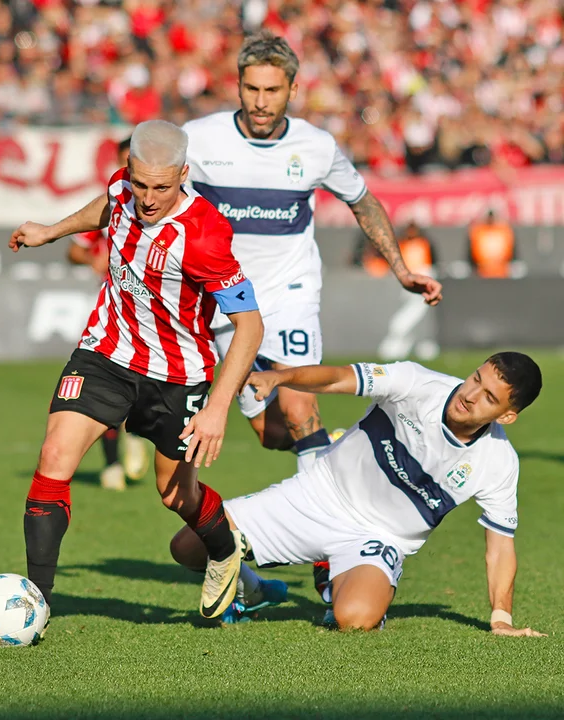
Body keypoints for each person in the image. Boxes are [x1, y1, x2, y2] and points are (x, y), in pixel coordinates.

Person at [183, 30, 442, 597]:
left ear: (292, 90)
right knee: (271, 431)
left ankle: (330, 554)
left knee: (300, 405)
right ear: (238, 86)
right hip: (226, 305)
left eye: (272, 90)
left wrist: (400, 268)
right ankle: (332, 449)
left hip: (291, 293)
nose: (259, 101)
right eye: (251, 88)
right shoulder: (197, 140)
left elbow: (363, 200)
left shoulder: (316, 146)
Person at [8, 120, 264, 619]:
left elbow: (249, 326)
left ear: (183, 175)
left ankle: (224, 550)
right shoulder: (123, 188)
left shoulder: (205, 234)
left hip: (179, 373)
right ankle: (35, 603)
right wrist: (51, 231)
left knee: (175, 494)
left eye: (162, 187)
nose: (147, 198)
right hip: (106, 352)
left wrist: (215, 409)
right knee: (55, 455)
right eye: (140, 183)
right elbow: (105, 209)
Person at [170, 352, 546, 637]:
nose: (470, 395)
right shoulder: (416, 383)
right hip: (316, 495)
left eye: (488, 397)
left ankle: (347, 583)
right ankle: (253, 590)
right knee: (187, 547)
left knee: (354, 619)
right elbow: (337, 378)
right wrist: (279, 378)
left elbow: (500, 545)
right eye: (475, 379)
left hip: (378, 538)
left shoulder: (499, 462)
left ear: (506, 416)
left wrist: (501, 619)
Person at [67, 136, 149, 492]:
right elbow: (74, 250)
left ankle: (139, 433)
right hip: (113, 309)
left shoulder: (161, 207)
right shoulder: (110, 204)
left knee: (143, 388)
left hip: (153, 313)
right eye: (123, 162)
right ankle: (113, 462)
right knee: (104, 385)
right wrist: (90, 258)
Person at [354, 221, 437, 278]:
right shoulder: (402, 243)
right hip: (403, 273)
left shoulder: (423, 243)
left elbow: (432, 260)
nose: (411, 232)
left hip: (423, 272)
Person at [467, 210, 517, 278]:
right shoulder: (478, 231)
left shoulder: (505, 230)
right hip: (481, 271)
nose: (491, 219)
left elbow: (512, 252)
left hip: (503, 272)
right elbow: (471, 253)